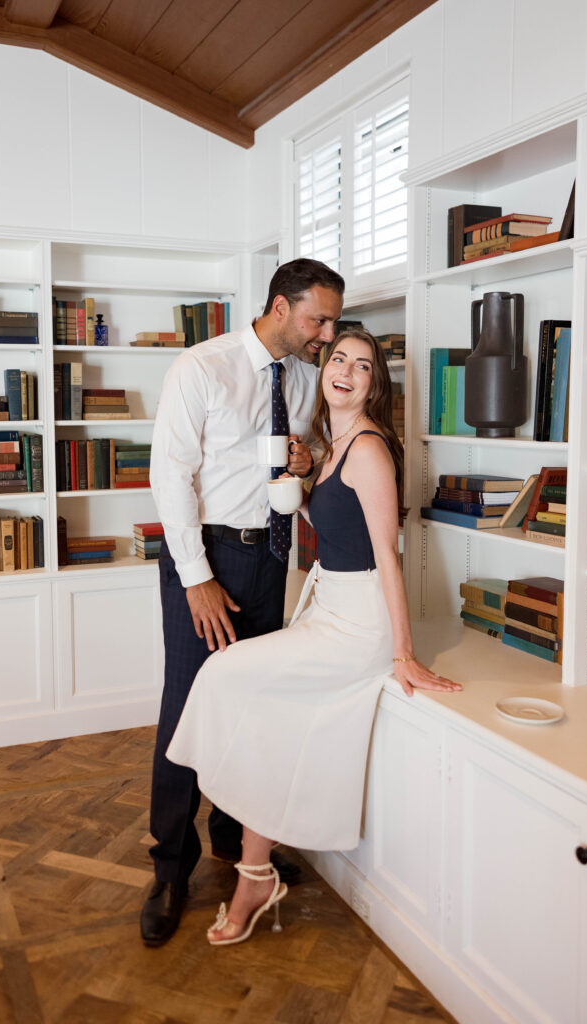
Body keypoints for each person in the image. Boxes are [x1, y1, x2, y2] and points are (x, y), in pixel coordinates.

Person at [167, 328, 462, 946]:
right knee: (262, 718)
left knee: (222, 674)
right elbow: (337, 523)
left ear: (375, 384)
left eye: (362, 366)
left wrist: (402, 654)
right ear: (324, 369)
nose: (346, 371)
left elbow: (386, 554)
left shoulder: (371, 449)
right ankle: (254, 872)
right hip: (327, 603)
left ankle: (251, 871)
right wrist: (301, 489)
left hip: (357, 625)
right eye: (338, 359)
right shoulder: (333, 444)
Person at [141, 258, 346, 947]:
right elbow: (169, 477)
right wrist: (196, 576)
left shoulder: (305, 376)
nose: (326, 333)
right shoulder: (201, 368)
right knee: (186, 705)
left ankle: (236, 842)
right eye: (317, 318)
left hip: (270, 556)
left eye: (331, 321)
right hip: (209, 559)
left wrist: (304, 463)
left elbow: (310, 451)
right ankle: (169, 866)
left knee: (253, 703)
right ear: (281, 307)